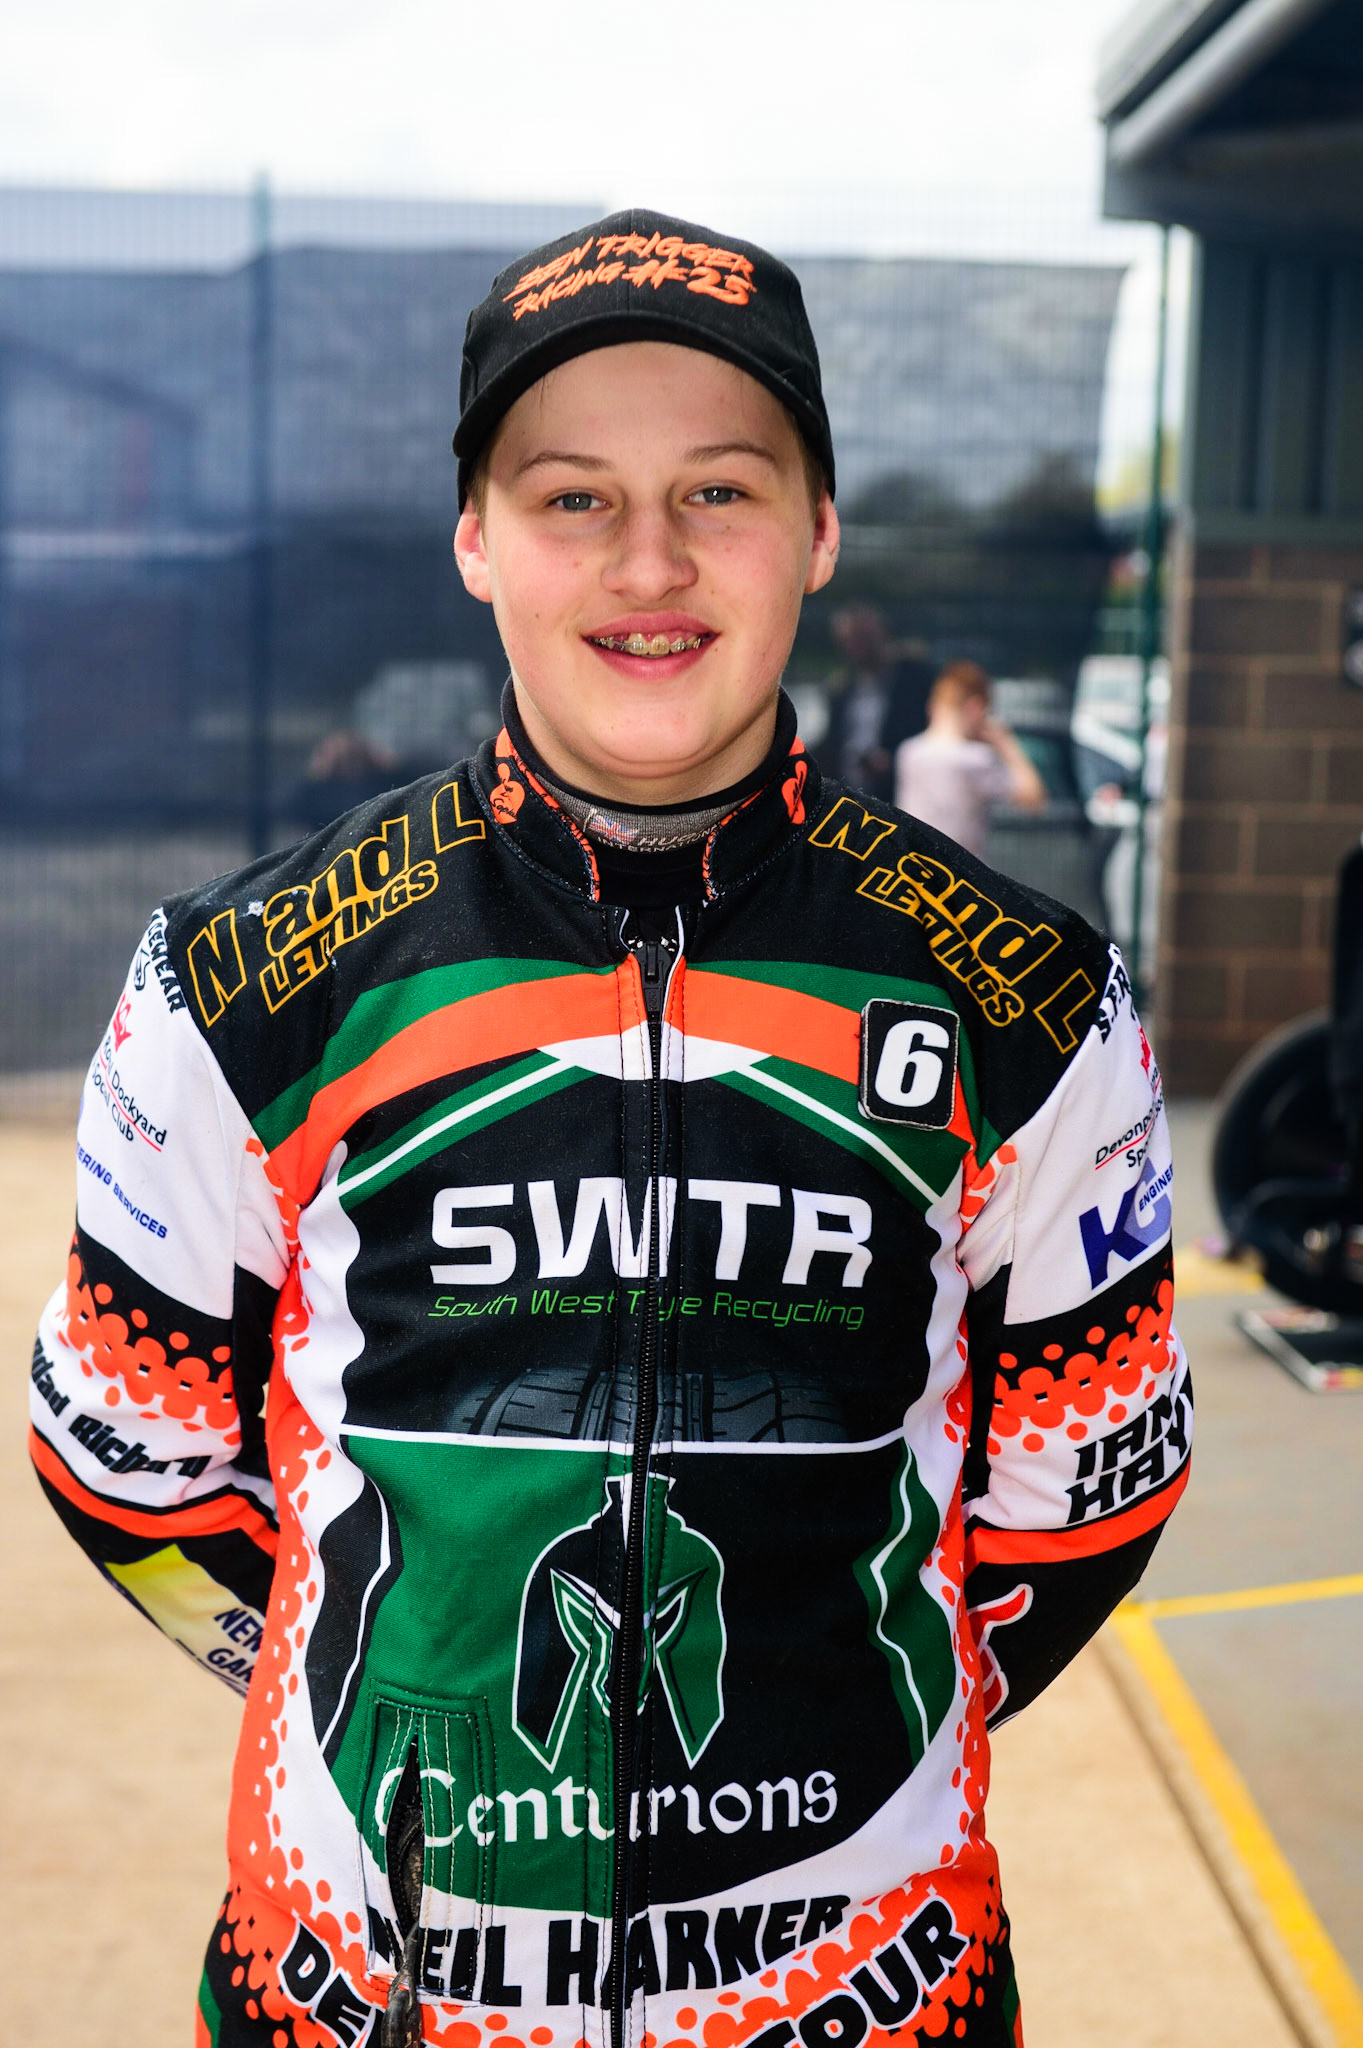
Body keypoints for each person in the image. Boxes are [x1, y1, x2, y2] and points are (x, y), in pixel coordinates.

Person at [29, 209, 1188, 2048]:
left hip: (872, 1992)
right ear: (475, 538)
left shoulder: (1027, 998)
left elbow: (1083, 1493)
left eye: (718, 488)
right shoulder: (240, 978)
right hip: (353, 1988)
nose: (647, 558)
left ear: (817, 530)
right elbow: (131, 1473)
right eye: (571, 496)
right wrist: (351, 1710)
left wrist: (852, 1759)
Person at [895, 661, 1047, 860]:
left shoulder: (909, 752)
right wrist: (1006, 744)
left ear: (932, 705)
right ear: (977, 708)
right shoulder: (976, 760)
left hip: (910, 872)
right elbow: (1034, 799)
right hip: (960, 879)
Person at [818, 604, 933, 799]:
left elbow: (928, 730)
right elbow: (832, 743)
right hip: (849, 795)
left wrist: (894, 759)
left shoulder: (915, 679)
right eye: (848, 640)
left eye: (862, 638)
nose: (856, 647)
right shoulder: (841, 688)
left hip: (902, 793)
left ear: (882, 633)